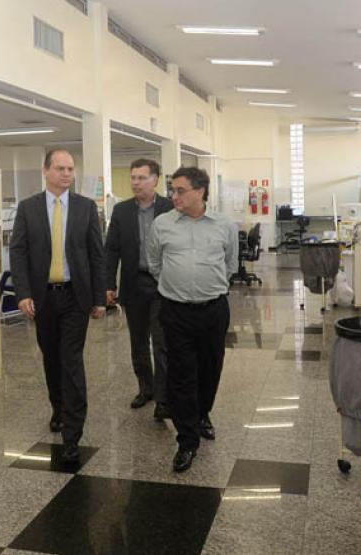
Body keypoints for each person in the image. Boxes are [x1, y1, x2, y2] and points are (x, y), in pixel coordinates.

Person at [9, 149, 106, 464]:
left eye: (70, 169)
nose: (67, 174)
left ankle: (72, 433)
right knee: (51, 358)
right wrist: (22, 292)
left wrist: (98, 298)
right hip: (42, 298)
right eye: (61, 168)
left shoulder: (86, 208)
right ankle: (58, 407)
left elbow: (96, 254)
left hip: (75, 297)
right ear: (45, 171)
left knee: (71, 360)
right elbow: (19, 252)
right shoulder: (28, 208)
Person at [147, 166, 237, 472]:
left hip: (213, 309)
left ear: (200, 191)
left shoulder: (224, 224)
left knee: (210, 368)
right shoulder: (162, 224)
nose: (174, 196)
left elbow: (230, 264)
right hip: (175, 310)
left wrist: (206, 285)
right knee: (181, 374)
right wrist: (177, 285)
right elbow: (154, 263)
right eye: (173, 190)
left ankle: (201, 414)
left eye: (180, 190)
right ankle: (187, 441)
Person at [105, 159, 173, 418]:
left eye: (141, 178)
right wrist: (108, 284)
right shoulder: (121, 211)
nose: (135, 182)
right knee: (138, 342)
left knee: (161, 341)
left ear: (155, 180)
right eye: (133, 177)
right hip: (134, 285)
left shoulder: (169, 208)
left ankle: (164, 397)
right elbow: (111, 250)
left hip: (163, 285)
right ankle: (146, 389)